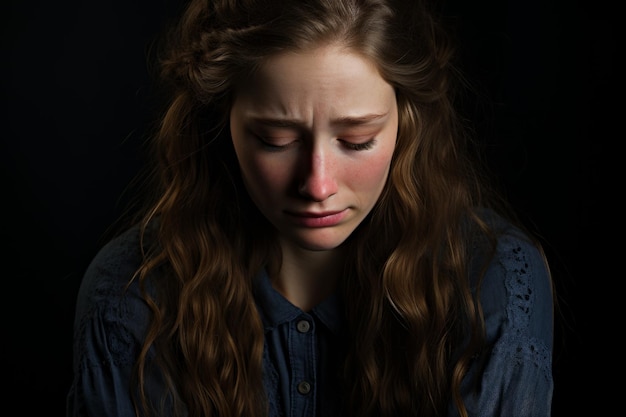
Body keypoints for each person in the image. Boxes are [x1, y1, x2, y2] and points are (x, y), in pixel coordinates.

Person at [66, 0, 555, 416]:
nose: (317, 184)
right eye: (275, 140)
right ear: (222, 124)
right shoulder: (132, 294)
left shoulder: (492, 280)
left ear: (407, 125)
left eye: (357, 140)